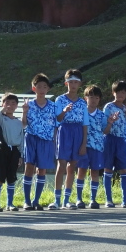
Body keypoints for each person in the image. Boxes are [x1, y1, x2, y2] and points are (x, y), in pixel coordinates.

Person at [52, 68, 89, 210]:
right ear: (66, 83)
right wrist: (64, 111)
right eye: (71, 82)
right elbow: (57, 119)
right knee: (61, 164)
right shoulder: (60, 99)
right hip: (64, 131)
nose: (73, 85)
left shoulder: (82, 103)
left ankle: (66, 200)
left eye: (76, 82)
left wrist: (84, 143)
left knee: (72, 166)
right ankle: (56, 199)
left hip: (77, 132)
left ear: (80, 84)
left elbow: (85, 123)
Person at [22, 73, 58, 211]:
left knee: (42, 169)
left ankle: (36, 200)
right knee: (29, 167)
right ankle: (27, 201)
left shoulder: (53, 106)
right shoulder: (29, 104)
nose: (42, 89)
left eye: (44, 87)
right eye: (39, 86)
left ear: (48, 89)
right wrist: (24, 112)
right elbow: (23, 124)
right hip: (31, 138)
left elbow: (56, 126)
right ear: (33, 88)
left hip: (46, 140)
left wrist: (54, 142)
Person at [0, 93, 25, 212]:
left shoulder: (18, 122)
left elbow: (21, 139)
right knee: (0, 177)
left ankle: (10, 203)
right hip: (2, 149)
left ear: (16, 106)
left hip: (14, 151)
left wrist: (21, 155)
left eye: (13, 103)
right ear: (2, 104)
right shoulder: (1, 118)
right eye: (7, 103)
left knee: (12, 177)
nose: (10, 106)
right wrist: (2, 112)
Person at [103, 80, 126, 208]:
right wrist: (110, 122)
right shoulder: (108, 107)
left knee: (124, 168)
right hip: (109, 138)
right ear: (113, 93)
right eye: (118, 92)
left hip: (121, 140)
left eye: (123, 92)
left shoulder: (125, 108)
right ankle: (108, 200)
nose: (120, 95)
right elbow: (104, 128)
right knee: (108, 168)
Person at [76, 85, 107, 209]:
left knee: (95, 172)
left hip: (97, 147)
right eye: (91, 97)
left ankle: (93, 199)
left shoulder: (102, 115)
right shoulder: (81, 112)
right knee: (81, 171)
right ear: (85, 98)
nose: (93, 100)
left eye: (96, 98)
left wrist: (110, 123)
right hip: (83, 146)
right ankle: (79, 198)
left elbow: (105, 130)